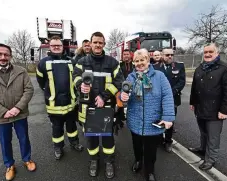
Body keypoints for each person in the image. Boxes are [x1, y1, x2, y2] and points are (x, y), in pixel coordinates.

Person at [72, 31, 124, 178]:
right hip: (87, 107)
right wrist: (80, 85)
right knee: (91, 138)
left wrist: (103, 96)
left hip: (106, 107)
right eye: (95, 42)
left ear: (104, 44)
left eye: (100, 43)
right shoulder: (82, 62)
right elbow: (75, 77)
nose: (98, 45)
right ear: (90, 43)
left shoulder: (112, 63)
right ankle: (93, 160)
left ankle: (109, 162)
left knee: (108, 137)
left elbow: (119, 82)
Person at [121, 48, 175, 181]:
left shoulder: (159, 76)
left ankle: (149, 170)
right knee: (137, 145)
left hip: (153, 120)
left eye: (142, 60)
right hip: (135, 120)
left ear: (148, 60)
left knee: (151, 149)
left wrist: (168, 117)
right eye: (136, 61)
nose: (139, 63)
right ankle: (138, 160)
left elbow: (167, 96)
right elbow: (125, 97)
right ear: (133, 63)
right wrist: (123, 97)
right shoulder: (130, 77)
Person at [0, 43, 36, 181]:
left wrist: (17, 108)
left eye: (6, 54)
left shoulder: (21, 71)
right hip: (1, 116)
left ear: (10, 56)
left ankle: (27, 159)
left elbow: (29, 90)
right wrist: (3, 111)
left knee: (24, 138)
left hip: (20, 114)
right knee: (5, 141)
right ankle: (9, 165)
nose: (3, 57)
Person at [36, 36, 84, 160]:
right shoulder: (43, 63)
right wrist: (50, 94)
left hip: (70, 102)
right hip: (54, 104)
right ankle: (58, 147)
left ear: (63, 47)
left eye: (59, 45)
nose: (56, 47)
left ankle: (74, 143)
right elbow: (41, 82)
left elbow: (77, 78)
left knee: (72, 126)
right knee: (57, 128)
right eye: (53, 45)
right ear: (50, 47)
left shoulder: (71, 62)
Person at [189, 43, 227, 171]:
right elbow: (194, 87)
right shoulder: (200, 68)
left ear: (217, 53)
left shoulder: (224, 68)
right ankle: (203, 149)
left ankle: (211, 159)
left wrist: (224, 110)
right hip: (200, 107)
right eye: (205, 52)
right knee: (203, 132)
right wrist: (192, 102)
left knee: (213, 136)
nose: (207, 54)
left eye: (211, 52)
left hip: (215, 110)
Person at [153, 48, 186, 152]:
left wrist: (170, 92)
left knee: (169, 120)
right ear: (162, 55)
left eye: (171, 54)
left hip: (173, 98)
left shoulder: (179, 66)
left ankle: (168, 141)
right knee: (158, 119)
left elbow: (181, 81)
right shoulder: (155, 67)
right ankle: (158, 139)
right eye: (167, 55)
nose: (170, 56)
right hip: (158, 99)